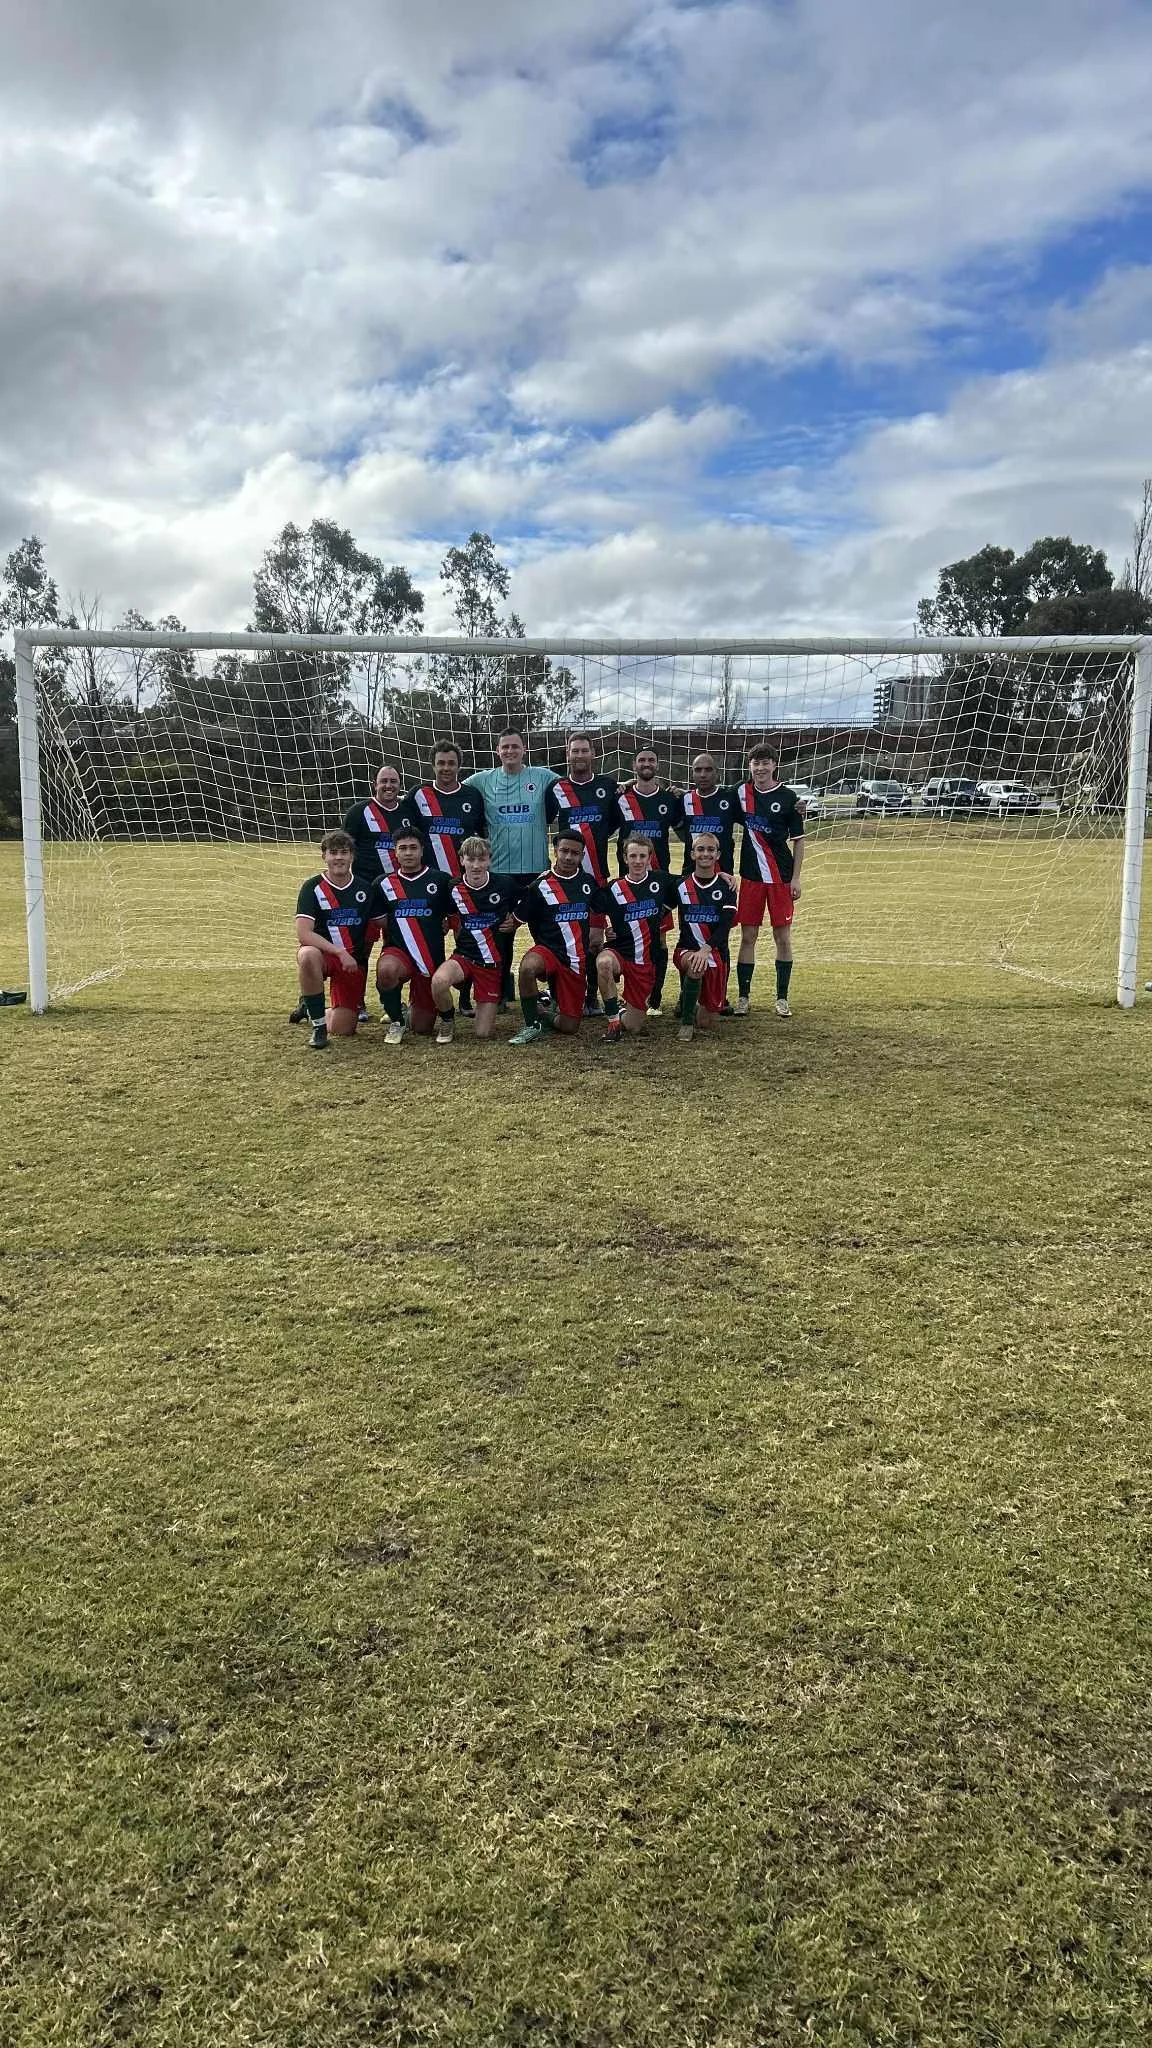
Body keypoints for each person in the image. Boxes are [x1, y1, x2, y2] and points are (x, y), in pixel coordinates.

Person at [464, 730, 558, 1002]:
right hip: (500, 875)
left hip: (536, 871)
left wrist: (621, 786)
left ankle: (553, 989)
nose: (509, 751)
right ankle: (501, 992)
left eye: (514, 747)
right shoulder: (483, 780)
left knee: (546, 932)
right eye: (504, 747)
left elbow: (575, 787)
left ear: (524, 749)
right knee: (500, 936)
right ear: (497, 751)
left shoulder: (543, 777)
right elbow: (452, 791)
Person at [545, 734, 620, 1013]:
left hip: (597, 877)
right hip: (565, 880)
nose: (579, 755)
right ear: (567, 755)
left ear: (593, 754)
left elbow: (613, 823)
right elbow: (547, 819)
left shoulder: (607, 786)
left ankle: (591, 997)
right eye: (574, 751)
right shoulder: (556, 789)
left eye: (584, 750)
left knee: (593, 940)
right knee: (565, 937)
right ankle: (561, 995)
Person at [733, 743, 805, 1018]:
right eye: (755, 763)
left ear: (774, 765)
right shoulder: (742, 792)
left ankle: (782, 998)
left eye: (765, 763)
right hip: (751, 877)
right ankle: (743, 997)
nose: (760, 768)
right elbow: (710, 797)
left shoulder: (789, 798)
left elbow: (799, 842)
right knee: (748, 936)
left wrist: (796, 878)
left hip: (780, 879)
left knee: (782, 936)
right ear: (749, 766)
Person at [509, 827, 598, 1045]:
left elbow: (602, 910)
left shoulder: (588, 883)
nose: (568, 857)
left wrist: (606, 931)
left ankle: (543, 1013)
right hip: (549, 952)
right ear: (555, 850)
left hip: (576, 961)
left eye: (574, 853)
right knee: (528, 967)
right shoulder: (540, 886)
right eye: (564, 851)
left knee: (570, 1027)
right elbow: (516, 920)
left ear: (582, 856)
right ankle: (532, 1024)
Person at [430, 836, 519, 1044]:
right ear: (462, 860)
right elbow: (444, 911)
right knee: (439, 981)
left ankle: (485, 1002)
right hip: (464, 957)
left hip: (491, 963)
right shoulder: (453, 887)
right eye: (470, 860)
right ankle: (447, 1019)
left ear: (490, 860)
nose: (476, 865)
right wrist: (444, 922)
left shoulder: (505, 884)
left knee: (482, 1034)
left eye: (482, 860)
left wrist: (515, 920)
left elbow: (526, 902)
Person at [614, 747, 682, 1013]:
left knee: (659, 940)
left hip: (658, 883)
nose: (646, 763)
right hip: (628, 883)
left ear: (657, 764)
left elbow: (688, 824)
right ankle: (631, 996)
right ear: (634, 765)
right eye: (641, 759)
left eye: (651, 760)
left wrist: (682, 794)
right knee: (629, 937)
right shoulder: (620, 798)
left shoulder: (669, 799)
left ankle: (655, 998)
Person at [369, 827, 452, 1045]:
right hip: (398, 951)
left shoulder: (441, 880)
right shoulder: (383, 884)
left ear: (422, 850)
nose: (408, 853)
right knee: (386, 971)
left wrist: (440, 924)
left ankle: (414, 1010)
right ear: (395, 852)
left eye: (413, 848)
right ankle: (396, 1019)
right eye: (402, 848)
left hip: (429, 958)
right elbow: (378, 919)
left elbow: (455, 915)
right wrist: (405, 927)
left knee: (422, 1028)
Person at [294, 829, 374, 1051]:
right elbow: (304, 933)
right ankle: (318, 1027)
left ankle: (311, 1009)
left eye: (344, 852)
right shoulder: (312, 887)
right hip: (326, 956)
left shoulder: (364, 889)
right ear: (324, 856)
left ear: (352, 856)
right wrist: (339, 951)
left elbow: (380, 924)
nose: (339, 857)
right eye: (333, 852)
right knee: (307, 954)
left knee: (344, 1028)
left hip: (352, 963)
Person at [597, 835, 673, 1043]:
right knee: (603, 963)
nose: (637, 861)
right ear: (624, 858)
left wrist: (722, 874)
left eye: (642, 856)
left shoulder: (661, 880)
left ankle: (620, 1011)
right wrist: (605, 929)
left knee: (634, 1026)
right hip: (619, 953)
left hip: (644, 961)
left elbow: (689, 884)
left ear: (650, 858)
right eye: (633, 856)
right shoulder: (614, 888)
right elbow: (588, 904)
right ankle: (613, 1022)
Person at [671, 832, 738, 1042]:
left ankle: (691, 997)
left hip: (715, 953)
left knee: (707, 1023)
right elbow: (654, 912)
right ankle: (686, 1023)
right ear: (692, 854)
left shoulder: (727, 886)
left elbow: (725, 926)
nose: (705, 853)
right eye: (700, 849)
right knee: (696, 964)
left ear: (718, 855)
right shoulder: (680, 885)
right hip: (686, 951)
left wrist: (706, 949)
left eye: (711, 849)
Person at [403, 741, 486, 879]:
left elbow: (481, 834)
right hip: (426, 878)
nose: (446, 767)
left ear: (459, 766)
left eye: (451, 763)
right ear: (433, 766)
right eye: (441, 763)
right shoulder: (418, 794)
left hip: (464, 879)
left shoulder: (473, 796)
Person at [342, 762, 408, 881]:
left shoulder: (409, 812)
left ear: (400, 785)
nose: (388, 785)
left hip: (402, 888)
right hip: (368, 887)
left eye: (393, 781)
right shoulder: (357, 812)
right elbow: (342, 851)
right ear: (375, 785)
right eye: (384, 781)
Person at [677, 754, 738, 875]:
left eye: (708, 770)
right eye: (698, 770)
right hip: (691, 874)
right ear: (692, 773)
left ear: (717, 773)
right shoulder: (683, 800)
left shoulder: (731, 797)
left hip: (722, 875)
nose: (703, 775)